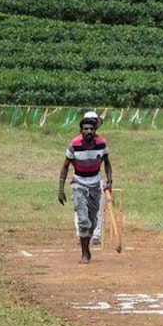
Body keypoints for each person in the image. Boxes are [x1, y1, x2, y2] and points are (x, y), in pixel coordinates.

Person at [58, 114, 113, 264]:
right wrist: (60, 189)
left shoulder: (101, 143)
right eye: (85, 129)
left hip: (95, 185)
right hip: (78, 184)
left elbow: (107, 163)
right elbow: (64, 167)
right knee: (83, 220)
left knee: (93, 222)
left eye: (91, 128)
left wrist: (110, 181)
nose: (88, 131)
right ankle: (84, 253)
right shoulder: (74, 144)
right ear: (81, 130)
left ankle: (86, 245)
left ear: (95, 130)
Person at [73, 111, 105, 246]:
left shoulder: (101, 142)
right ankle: (81, 234)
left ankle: (96, 235)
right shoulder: (77, 143)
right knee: (81, 210)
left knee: (97, 209)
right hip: (80, 182)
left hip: (96, 181)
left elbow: (104, 161)